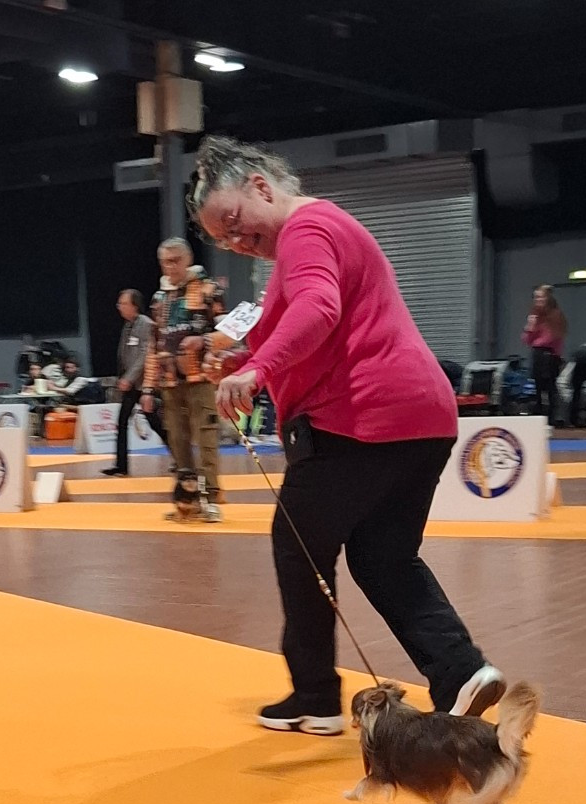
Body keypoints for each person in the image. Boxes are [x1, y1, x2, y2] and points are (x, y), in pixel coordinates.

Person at [189, 133, 505, 734]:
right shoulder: (324, 230)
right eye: (222, 239)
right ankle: (462, 672)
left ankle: (315, 696)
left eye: (233, 221)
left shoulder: (306, 230)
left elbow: (319, 310)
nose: (236, 241)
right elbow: (320, 329)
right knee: (384, 556)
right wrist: (242, 361)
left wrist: (258, 369)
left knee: (298, 545)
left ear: (261, 186)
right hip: (422, 418)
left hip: (361, 418)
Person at [141, 238, 225, 521]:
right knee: (177, 442)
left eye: (176, 260)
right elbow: (153, 346)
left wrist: (206, 343)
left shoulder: (209, 290)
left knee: (206, 437)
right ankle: (186, 500)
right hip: (169, 382)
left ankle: (210, 498)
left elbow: (228, 332)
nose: (170, 266)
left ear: (188, 259)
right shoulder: (159, 299)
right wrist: (148, 387)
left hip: (201, 377)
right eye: (165, 261)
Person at [103, 288, 169, 477]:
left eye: (123, 303)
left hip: (143, 383)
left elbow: (144, 356)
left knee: (154, 422)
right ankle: (121, 465)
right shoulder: (128, 325)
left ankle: (181, 458)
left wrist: (129, 378)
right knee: (123, 421)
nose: (119, 307)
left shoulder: (146, 324)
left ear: (135, 306)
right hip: (132, 385)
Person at [521, 285, 567, 426]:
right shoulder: (535, 316)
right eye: (536, 297)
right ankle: (539, 416)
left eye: (540, 297)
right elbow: (527, 340)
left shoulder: (555, 315)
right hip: (538, 354)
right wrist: (530, 328)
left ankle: (554, 418)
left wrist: (537, 339)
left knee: (550, 387)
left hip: (550, 355)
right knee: (538, 387)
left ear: (547, 298)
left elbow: (552, 338)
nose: (537, 300)